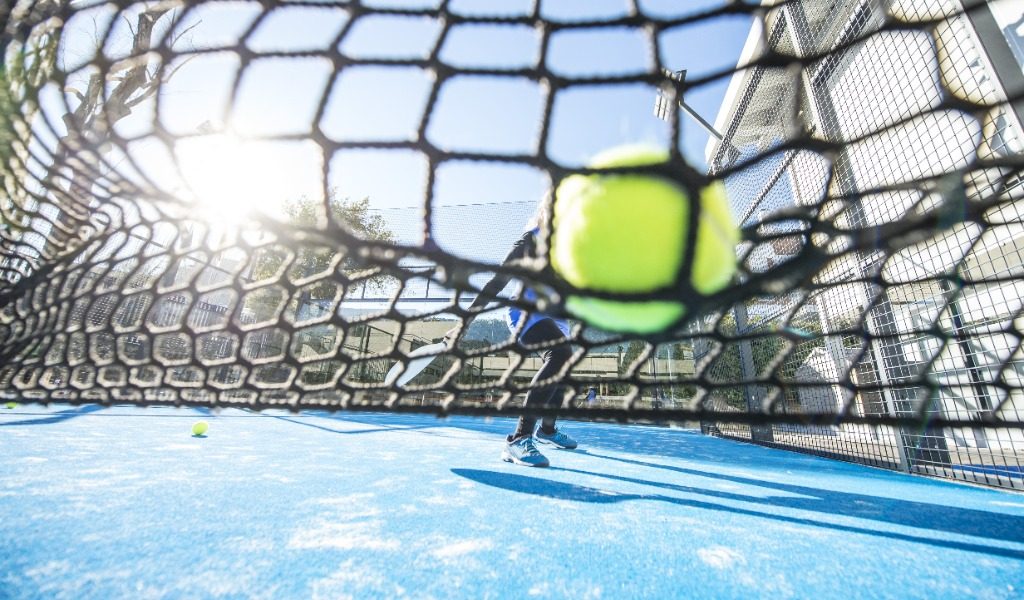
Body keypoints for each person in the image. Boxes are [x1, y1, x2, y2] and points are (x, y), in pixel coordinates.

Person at [447, 212, 579, 468]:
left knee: (564, 366)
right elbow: (497, 282)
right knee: (560, 354)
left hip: (555, 316)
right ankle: (518, 439)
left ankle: (548, 431)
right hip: (525, 312)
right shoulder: (530, 241)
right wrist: (464, 323)